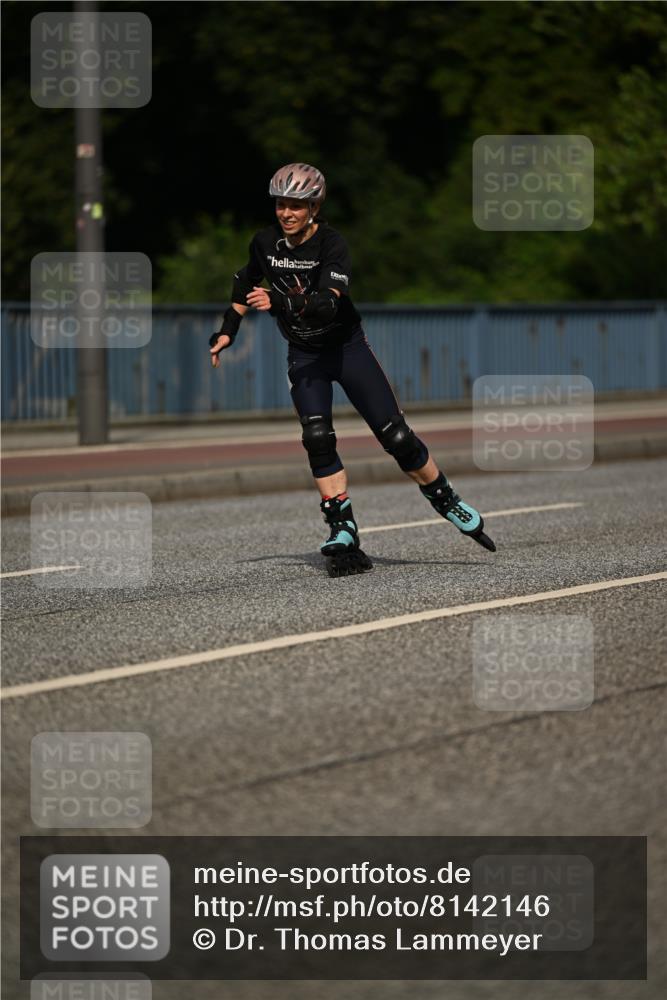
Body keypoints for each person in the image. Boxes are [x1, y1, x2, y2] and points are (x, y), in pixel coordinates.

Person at [209, 163, 495, 574]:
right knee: (317, 436)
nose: (286, 213)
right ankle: (341, 527)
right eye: (281, 204)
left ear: (314, 206)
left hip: (347, 349)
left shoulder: (332, 244)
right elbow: (244, 284)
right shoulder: (265, 243)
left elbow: (329, 301)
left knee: (395, 436)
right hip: (305, 354)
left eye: (296, 205)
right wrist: (228, 330)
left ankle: (444, 496)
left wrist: (281, 302)